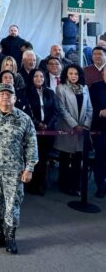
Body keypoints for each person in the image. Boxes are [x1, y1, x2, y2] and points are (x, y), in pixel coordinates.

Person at [0, 82, 38, 255]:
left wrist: (29, 168)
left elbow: (31, 144)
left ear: (15, 98)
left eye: (9, 94)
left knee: (12, 204)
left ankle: (10, 237)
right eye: (1, 94)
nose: (5, 97)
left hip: (14, 170)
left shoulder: (23, 118)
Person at [54, 64, 92, 196]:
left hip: (82, 130)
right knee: (65, 158)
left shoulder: (85, 88)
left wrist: (85, 125)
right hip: (67, 128)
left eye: (76, 74)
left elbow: (89, 108)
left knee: (77, 159)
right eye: (70, 73)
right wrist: (75, 125)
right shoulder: (61, 88)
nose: (73, 76)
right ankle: (64, 185)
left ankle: (75, 186)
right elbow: (62, 110)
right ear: (66, 74)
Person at [24, 69, 58, 195]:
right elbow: (26, 112)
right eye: (36, 76)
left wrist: (47, 124)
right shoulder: (26, 92)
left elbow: (55, 111)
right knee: (32, 158)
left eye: (41, 76)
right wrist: (38, 124)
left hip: (48, 131)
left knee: (43, 158)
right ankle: (30, 184)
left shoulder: (50, 92)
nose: (39, 79)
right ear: (31, 78)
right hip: (32, 130)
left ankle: (40, 184)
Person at [90, 66, 106, 198]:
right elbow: (89, 107)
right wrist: (100, 112)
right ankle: (100, 186)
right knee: (100, 159)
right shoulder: (95, 87)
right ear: (103, 73)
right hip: (100, 129)